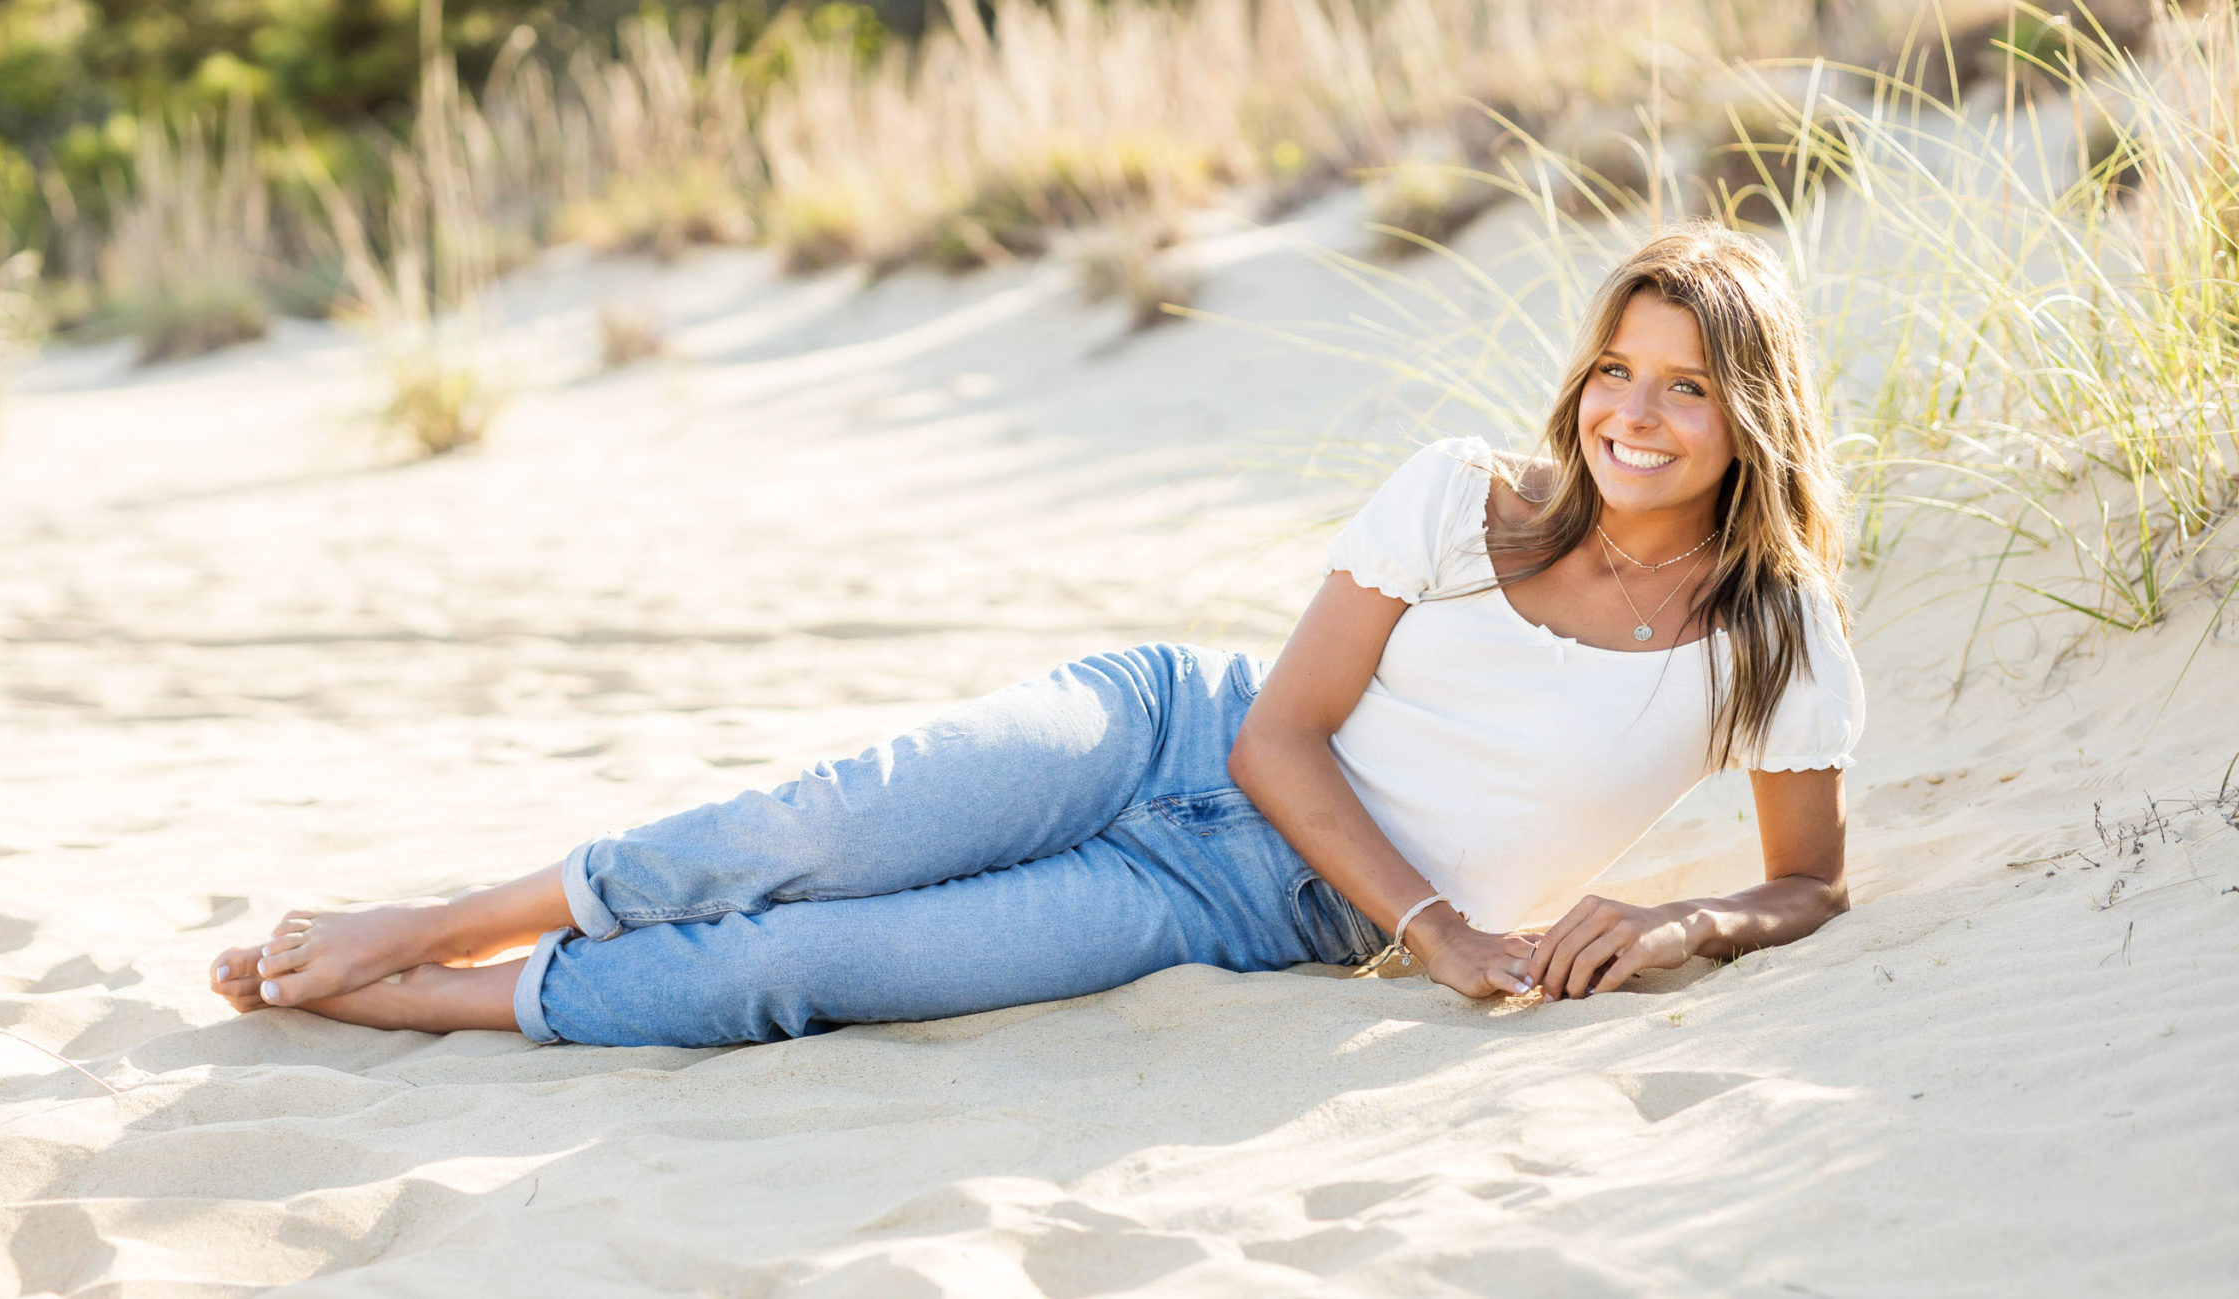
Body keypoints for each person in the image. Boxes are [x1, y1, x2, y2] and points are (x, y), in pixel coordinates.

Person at [208, 221, 1864, 1045]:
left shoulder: (1778, 640)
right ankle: (433, 915)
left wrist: (1684, 924)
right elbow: (1273, 737)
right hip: (1170, 727)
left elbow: (1809, 879)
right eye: (1616, 370)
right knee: (802, 835)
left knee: (811, 963)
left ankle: (432, 1001)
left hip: (1241, 898)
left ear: (1751, 418)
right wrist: (1438, 932)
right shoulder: (1466, 497)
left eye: (1689, 388)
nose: (1633, 416)